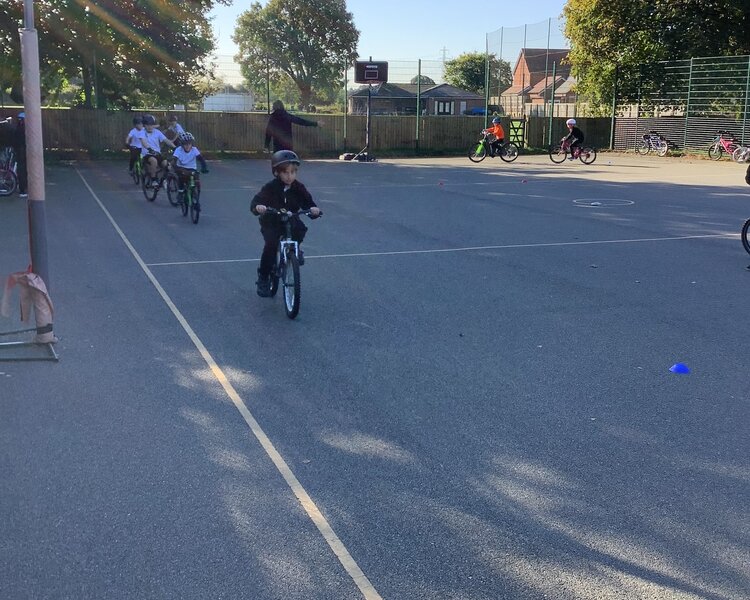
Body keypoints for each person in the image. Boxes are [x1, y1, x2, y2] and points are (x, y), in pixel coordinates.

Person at [250, 150, 321, 297]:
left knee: (299, 229)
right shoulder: (270, 187)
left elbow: (308, 202)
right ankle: (263, 277)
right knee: (270, 245)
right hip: (272, 221)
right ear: (276, 173)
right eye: (286, 173)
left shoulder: (298, 188)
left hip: (290, 219)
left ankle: (295, 249)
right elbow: (256, 202)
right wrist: (258, 207)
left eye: (293, 172)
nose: (290, 176)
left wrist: (313, 209)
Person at [140, 114, 175, 188]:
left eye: (151, 125)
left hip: (157, 153)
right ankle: (154, 180)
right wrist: (149, 148)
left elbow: (166, 140)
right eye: (147, 125)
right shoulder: (142, 132)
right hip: (147, 153)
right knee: (154, 161)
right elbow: (143, 142)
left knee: (166, 164)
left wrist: (175, 147)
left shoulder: (157, 132)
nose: (150, 127)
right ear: (144, 126)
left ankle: (163, 180)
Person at [11, 112, 27, 198]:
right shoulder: (23, 129)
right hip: (22, 151)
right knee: (22, 170)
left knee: (22, 169)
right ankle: (22, 189)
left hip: (19, 151)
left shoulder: (18, 128)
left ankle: (22, 187)